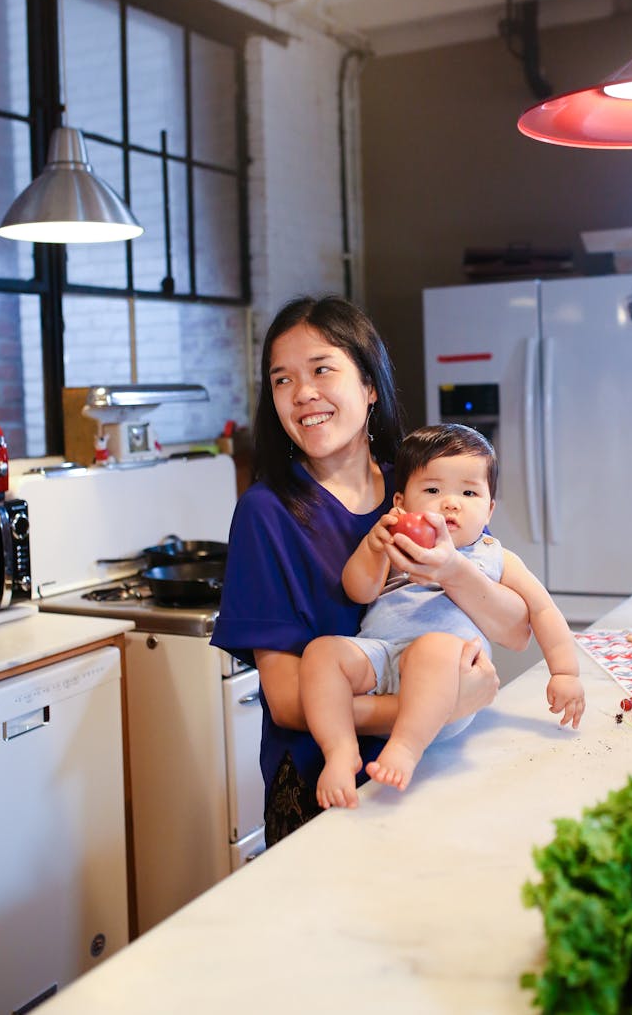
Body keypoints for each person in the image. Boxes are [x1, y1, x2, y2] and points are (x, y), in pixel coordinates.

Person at [211, 296, 531, 846]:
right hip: (328, 789)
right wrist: (437, 705)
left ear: (370, 385)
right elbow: (289, 704)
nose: (303, 393)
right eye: (282, 380)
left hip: (433, 766)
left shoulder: (420, 489)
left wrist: (454, 572)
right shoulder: (267, 512)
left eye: (321, 369)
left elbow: (516, 629)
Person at [300, 423, 585, 810]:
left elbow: (542, 609)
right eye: (433, 490)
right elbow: (359, 591)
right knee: (321, 653)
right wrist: (373, 548)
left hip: (447, 679)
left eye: (469, 492)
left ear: (490, 507)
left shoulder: (495, 557)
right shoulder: (398, 542)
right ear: (400, 503)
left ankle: (405, 746)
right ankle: (340, 751)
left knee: (432, 647)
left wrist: (565, 672)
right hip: (381, 656)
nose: (451, 503)